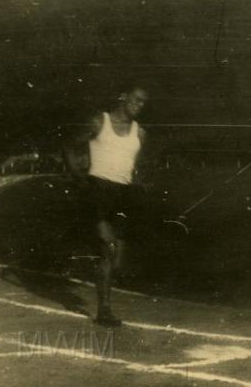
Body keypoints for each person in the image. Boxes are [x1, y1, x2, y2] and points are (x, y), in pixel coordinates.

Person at [66, 83, 148, 327]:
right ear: (123, 97)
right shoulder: (99, 122)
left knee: (117, 258)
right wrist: (79, 178)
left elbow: (133, 165)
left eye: (143, 102)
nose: (139, 105)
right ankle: (104, 310)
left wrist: (140, 183)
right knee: (107, 248)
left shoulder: (140, 133)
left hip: (124, 195)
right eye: (136, 99)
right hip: (98, 190)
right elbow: (69, 147)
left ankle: (99, 280)